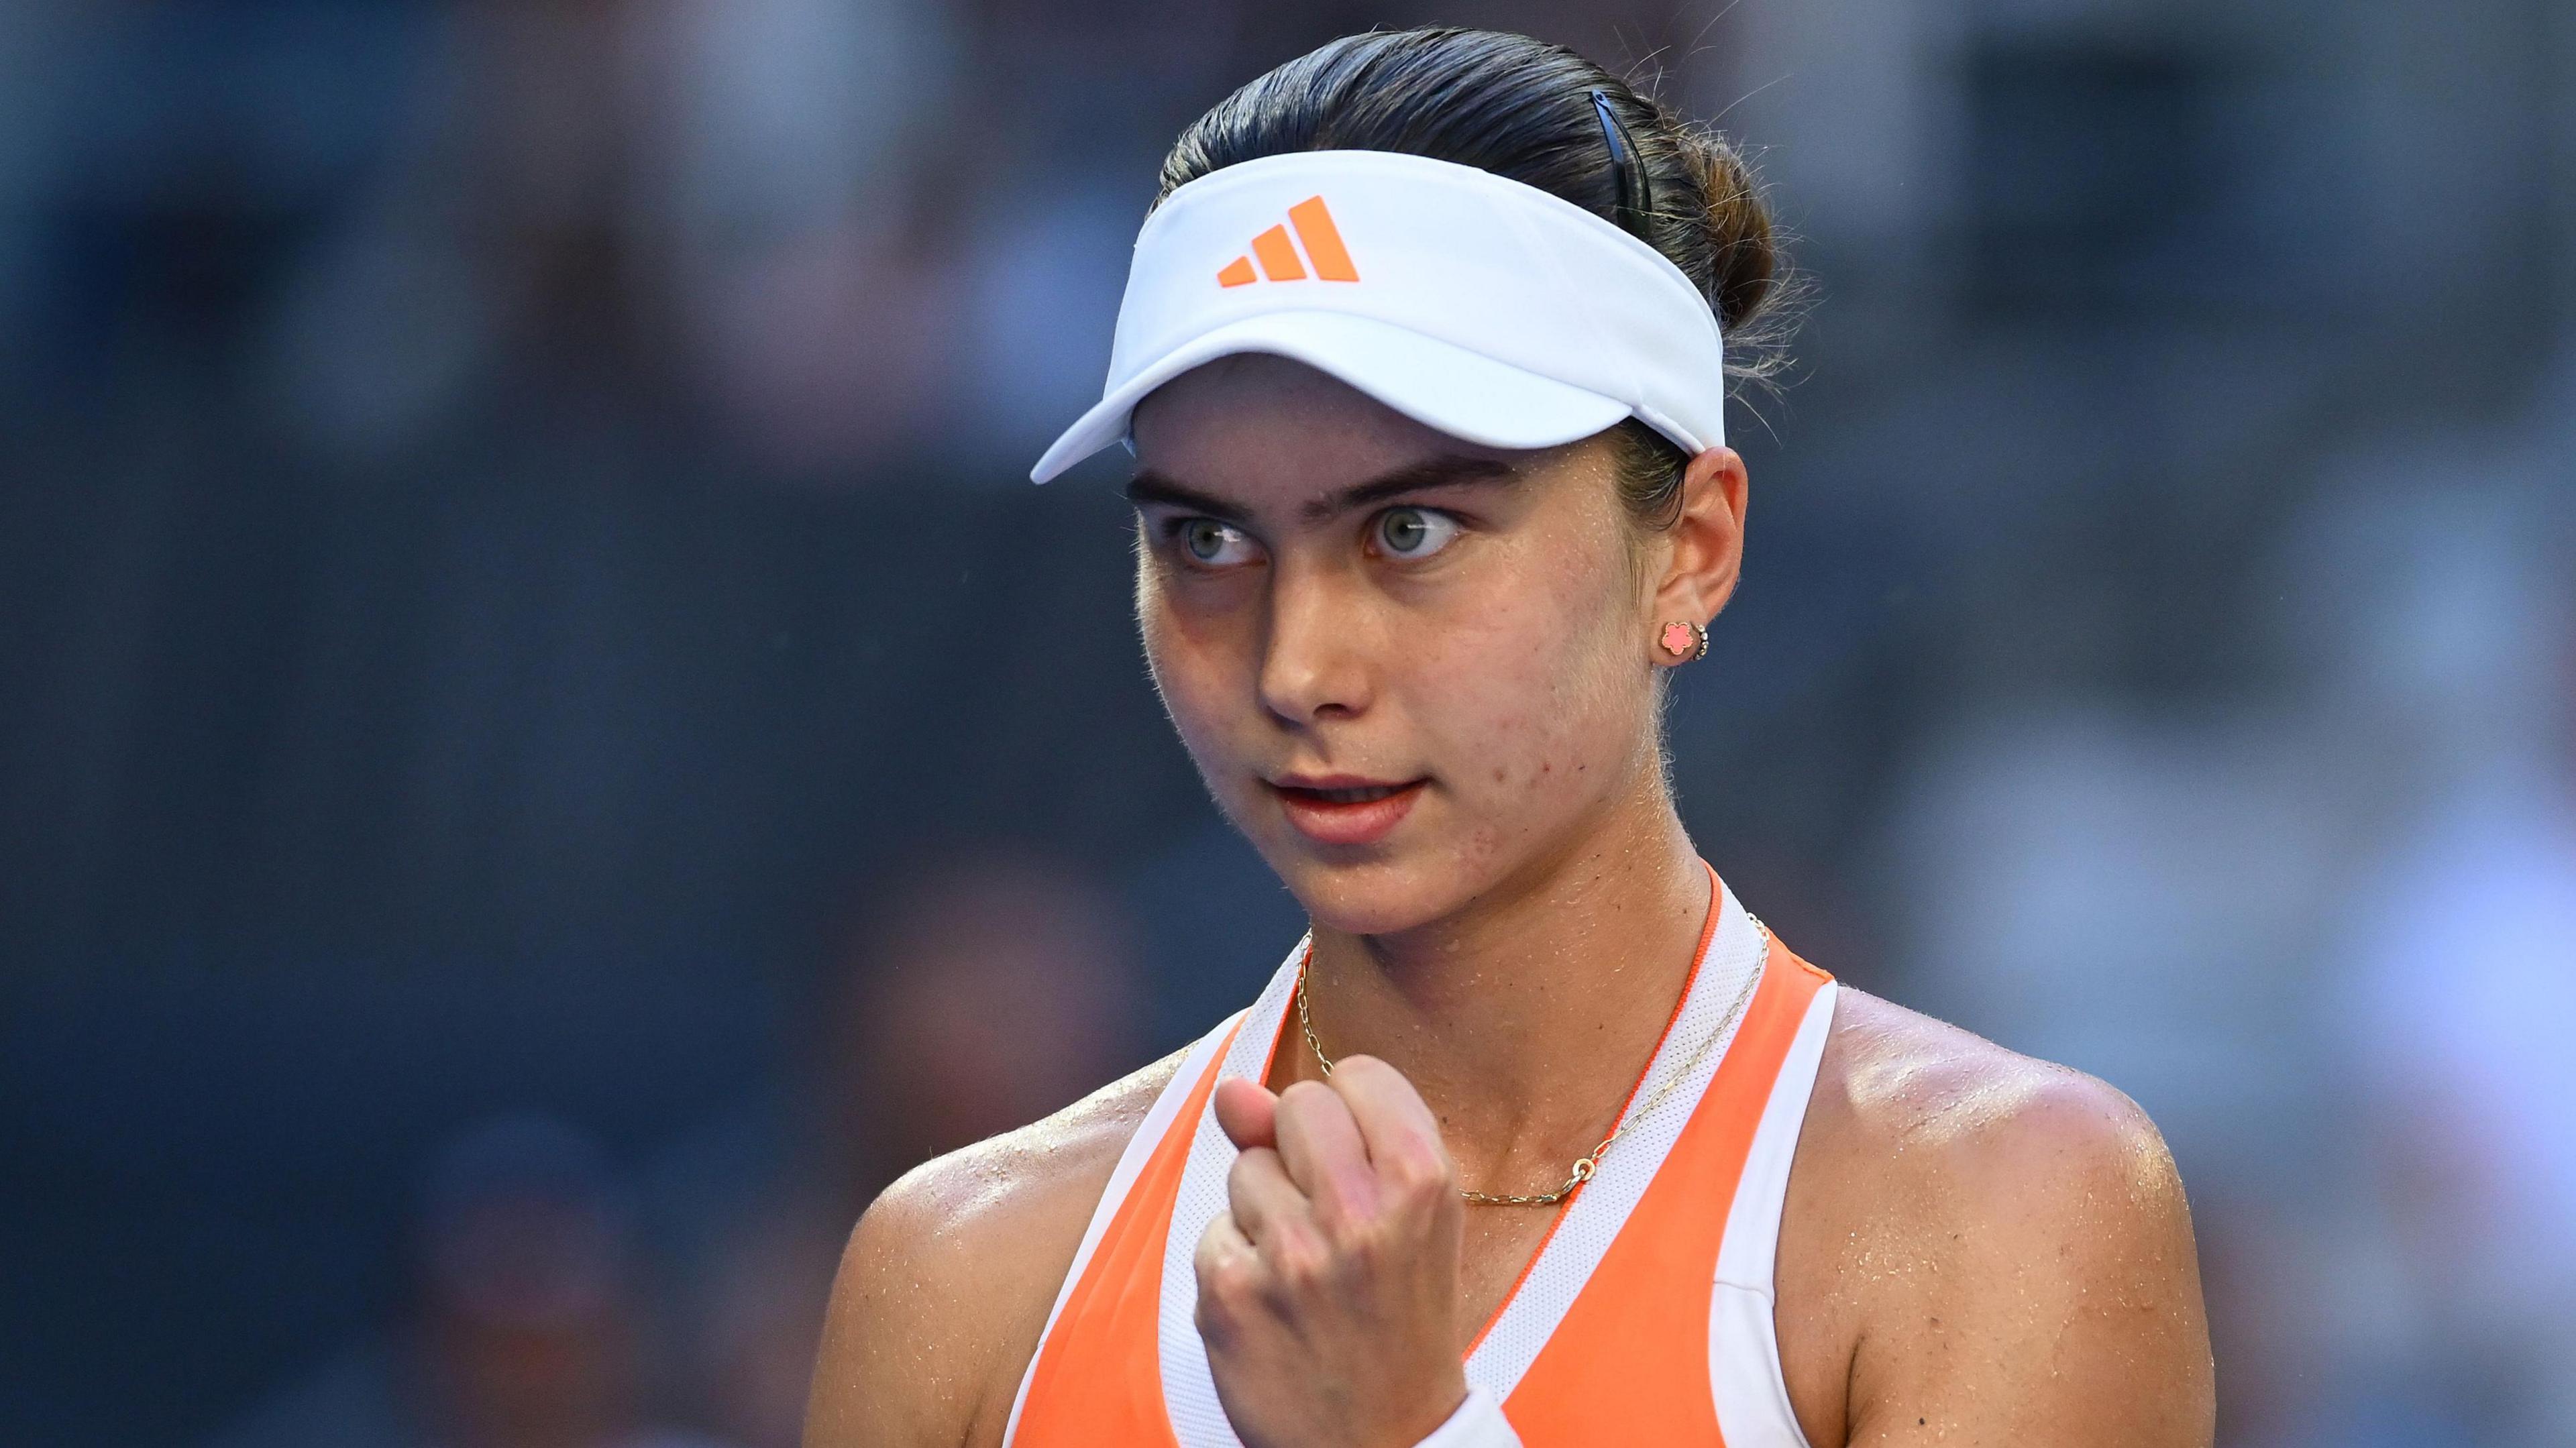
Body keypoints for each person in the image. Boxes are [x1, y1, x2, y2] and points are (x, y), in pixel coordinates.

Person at [805, 27, 2213, 1448]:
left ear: (1692, 549)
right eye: (1208, 539)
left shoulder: (2012, 1211)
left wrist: (1404, 1427)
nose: (1297, 669)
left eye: (1412, 530)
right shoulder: (958, 1277)